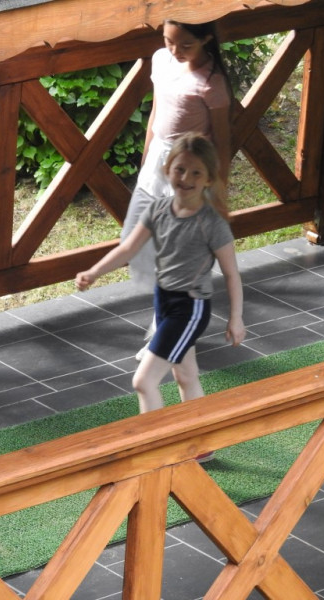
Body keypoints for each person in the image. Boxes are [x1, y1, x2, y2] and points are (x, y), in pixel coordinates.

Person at [76, 133, 244, 460]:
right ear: (167, 170)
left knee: (143, 381)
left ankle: (156, 453)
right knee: (186, 375)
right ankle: (201, 447)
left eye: (196, 172)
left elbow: (231, 274)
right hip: (164, 301)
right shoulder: (158, 210)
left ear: (209, 179)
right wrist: (94, 272)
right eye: (180, 169)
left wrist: (236, 318)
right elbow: (128, 248)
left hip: (190, 309)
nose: (186, 178)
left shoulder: (212, 224)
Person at [122, 20, 232, 358]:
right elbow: (156, 114)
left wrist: (219, 189)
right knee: (136, 240)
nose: (175, 50)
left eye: (185, 45)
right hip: (159, 162)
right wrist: (146, 161)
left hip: (190, 171)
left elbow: (222, 140)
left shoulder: (211, 82)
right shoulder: (161, 60)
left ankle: (167, 331)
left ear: (206, 39)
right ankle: (171, 319)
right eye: (169, 41)